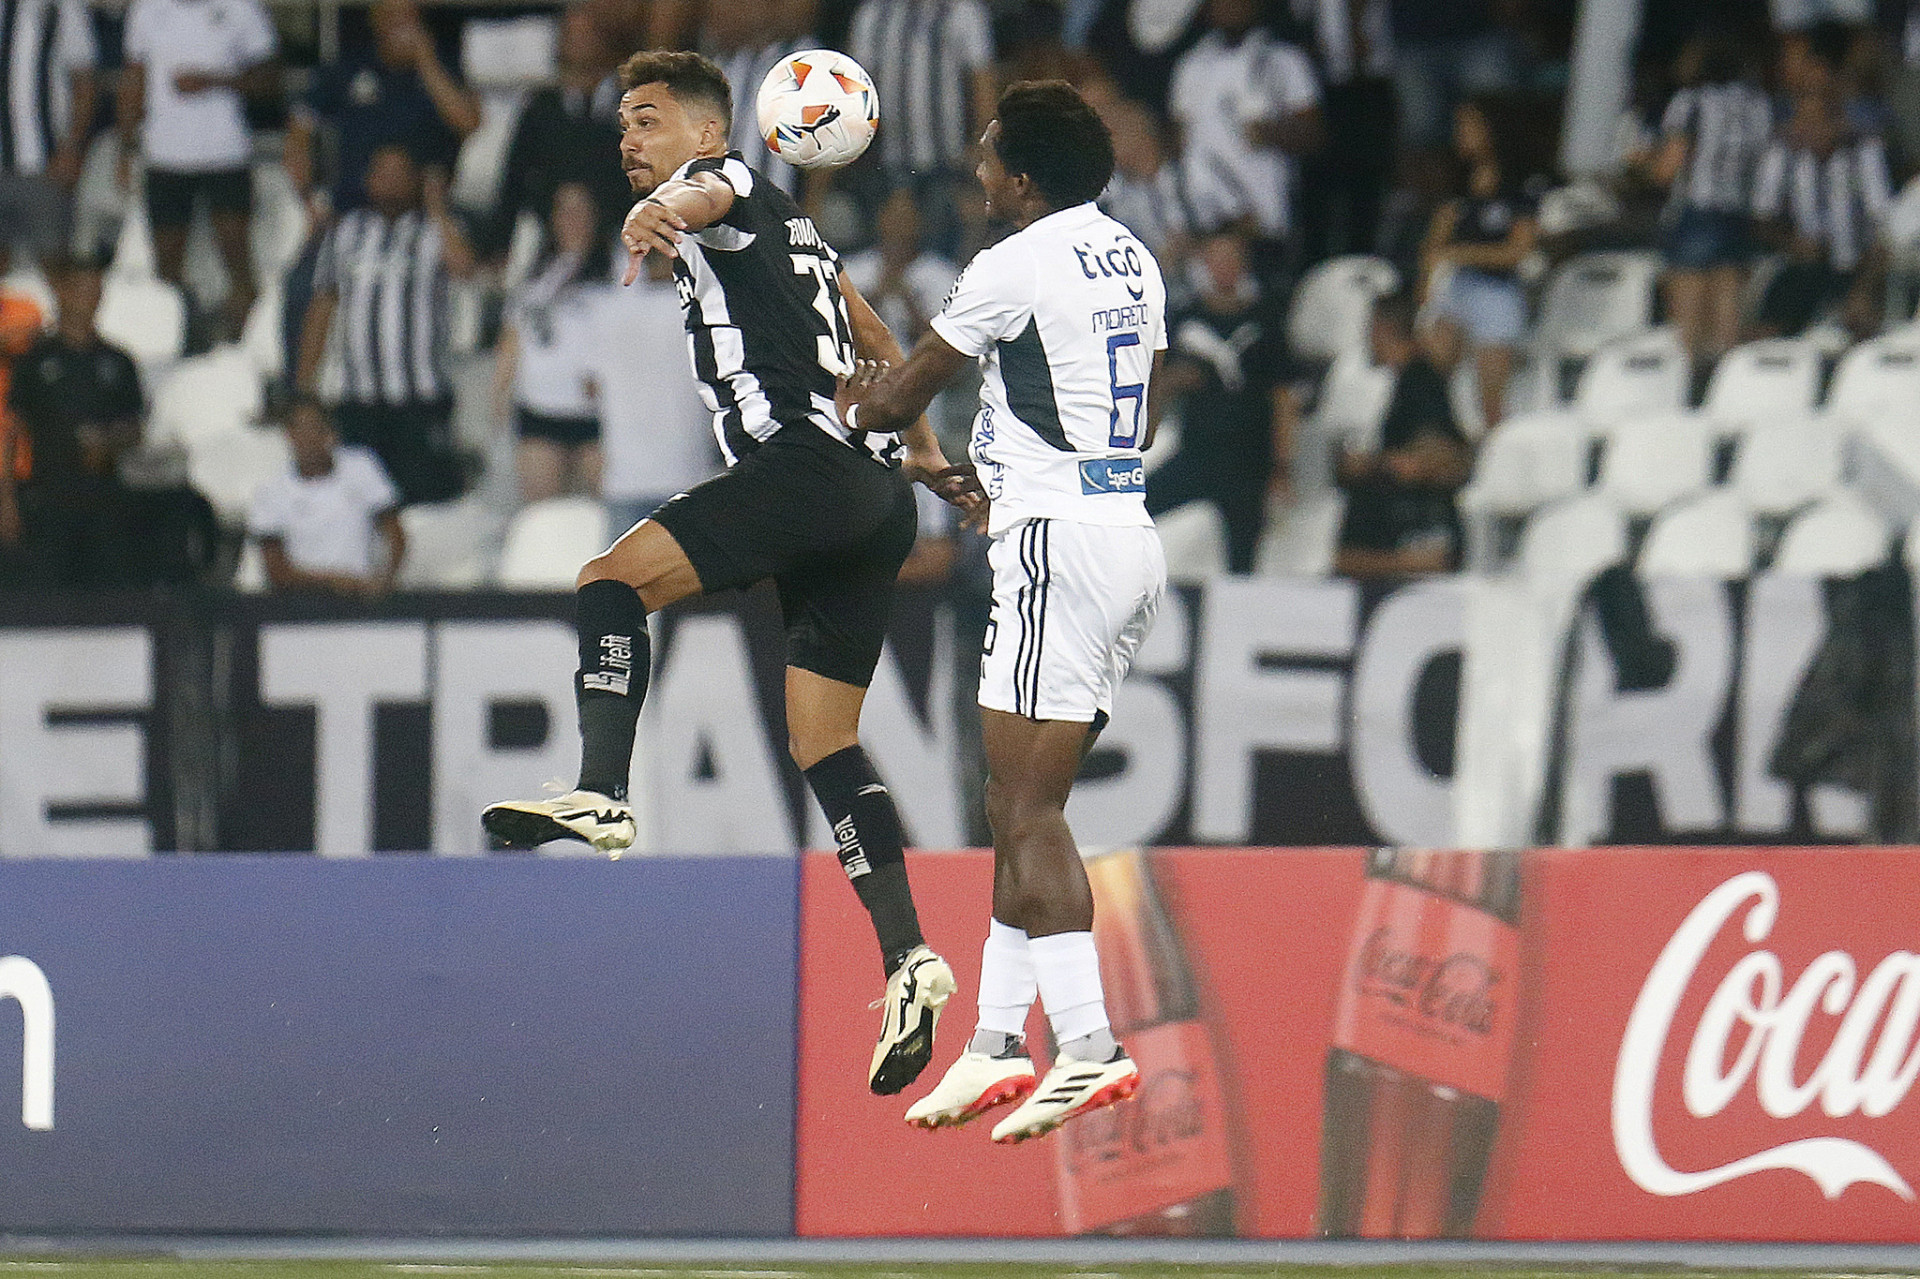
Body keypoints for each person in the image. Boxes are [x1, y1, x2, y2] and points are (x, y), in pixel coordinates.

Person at [479, 51, 975, 1098]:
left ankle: (604, 793)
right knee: (823, 741)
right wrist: (924, 451)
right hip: (874, 499)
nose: (629, 141)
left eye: (648, 120)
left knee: (610, 578)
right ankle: (909, 954)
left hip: (804, 469)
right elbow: (872, 330)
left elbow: (703, 194)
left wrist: (649, 215)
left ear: (708, 132)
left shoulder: (729, 185)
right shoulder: (796, 226)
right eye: (622, 124)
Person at [835, 81, 1167, 1144]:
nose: (975, 171)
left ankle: (1089, 1042)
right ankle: (993, 1041)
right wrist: (1001, 474)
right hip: (1120, 528)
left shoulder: (1012, 263)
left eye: (986, 157)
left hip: (1056, 549)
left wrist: (836, 397)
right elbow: (1119, 405)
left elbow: (898, 397)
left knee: (1029, 812)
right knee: (1012, 798)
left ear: (1022, 180)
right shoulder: (1130, 255)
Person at [294, 144, 476, 506]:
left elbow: (464, 267)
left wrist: (436, 206)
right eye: (382, 174)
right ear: (368, 181)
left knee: (422, 499)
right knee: (360, 502)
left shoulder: (436, 231)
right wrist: (305, 384)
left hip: (420, 397)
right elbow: (322, 305)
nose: (390, 184)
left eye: (400, 174)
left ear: (417, 180)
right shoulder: (346, 232)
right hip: (357, 399)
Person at [116, 0, 278, 348]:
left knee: (237, 259)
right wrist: (126, 147)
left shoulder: (242, 8)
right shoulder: (146, 9)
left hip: (226, 154)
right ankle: (185, 341)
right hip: (165, 156)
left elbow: (269, 78)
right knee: (167, 267)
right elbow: (134, 78)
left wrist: (215, 81)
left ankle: (239, 346)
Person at [1148, 229, 1294, 573]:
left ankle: (1240, 618)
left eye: (1231, 259)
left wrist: (1282, 466)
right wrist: (1176, 381)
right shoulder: (1186, 318)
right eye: (1215, 259)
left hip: (1247, 463)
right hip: (1196, 453)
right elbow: (1154, 385)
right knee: (1135, 508)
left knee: (1243, 559)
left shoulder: (1265, 321)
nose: (1223, 268)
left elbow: (1284, 397)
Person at [1, 252, 143, 584]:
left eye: (96, 289)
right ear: (61, 292)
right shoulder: (35, 361)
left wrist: (108, 443)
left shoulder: (118, 361)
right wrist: (6, 499)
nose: (89, 298)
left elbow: (135, 427)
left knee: (104, 597)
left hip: (104, 502)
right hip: (48, 502)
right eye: (81, 288)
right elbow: (12, 431)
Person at [1649, 33, 1774, 384]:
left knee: (1688, 323)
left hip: (1696, 210)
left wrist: (1643, 165)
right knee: (1726, 319)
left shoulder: (1691, 102)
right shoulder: (1757, 105)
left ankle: (1688, 392)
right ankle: (1725, 388)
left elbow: (1668, 167)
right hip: (1738, 212)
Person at [1419, 96, 1539, 431]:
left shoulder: (1518, 186)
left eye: (1468, 126)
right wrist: (1426, 288)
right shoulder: (1459, 183)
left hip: (1498, 292)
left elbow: (1518, 251)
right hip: (1458, 287)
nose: (1461, 134)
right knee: (1430, 367)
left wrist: (1460, 254)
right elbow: (1436, 243)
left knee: (1491, 400)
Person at [1334, 289, 1471, 579]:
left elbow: (1433, 457)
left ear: (1381, 329)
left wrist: (1369, 464)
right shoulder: (1409, 380)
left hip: (1414, 520)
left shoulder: (1419, 382)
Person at [493, 182, 611, 503]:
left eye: (580, 211)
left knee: (602, 518)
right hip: (540, 410)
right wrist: (499, 394)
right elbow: (512, 338)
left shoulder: (616, 272)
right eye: (564, 211)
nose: (572, 220)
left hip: (595, 415)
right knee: (541, 518)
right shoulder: (535, 276)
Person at [1750, 86, 1891, 340]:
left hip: (1856, 267)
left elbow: (1882, 229)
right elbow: (1762, 219)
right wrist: (1793, 243)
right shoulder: (1783, 155)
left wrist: (1863, 288)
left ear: (1837, 122)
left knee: (1862, 318)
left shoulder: (1865, 154)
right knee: (1766, 331)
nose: (1806, 129)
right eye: (1802, 120)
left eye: (1816, 121)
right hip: (1803, 266)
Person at [249, 395, 405, 597]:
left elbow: (395, 534)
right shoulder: (270, 492)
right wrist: (336, 582)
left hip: (365, 601)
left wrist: (385, 578)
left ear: (331, 433)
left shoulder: (362, 466)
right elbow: (277, 571)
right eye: (299, 429)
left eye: (315, 428)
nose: (308, 438)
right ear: (288, 436)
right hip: (302, 607)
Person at [0, 0, 99, 263]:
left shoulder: (60, 5)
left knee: (52, 265)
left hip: (44, 163)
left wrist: (73, 149)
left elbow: (85, 80)